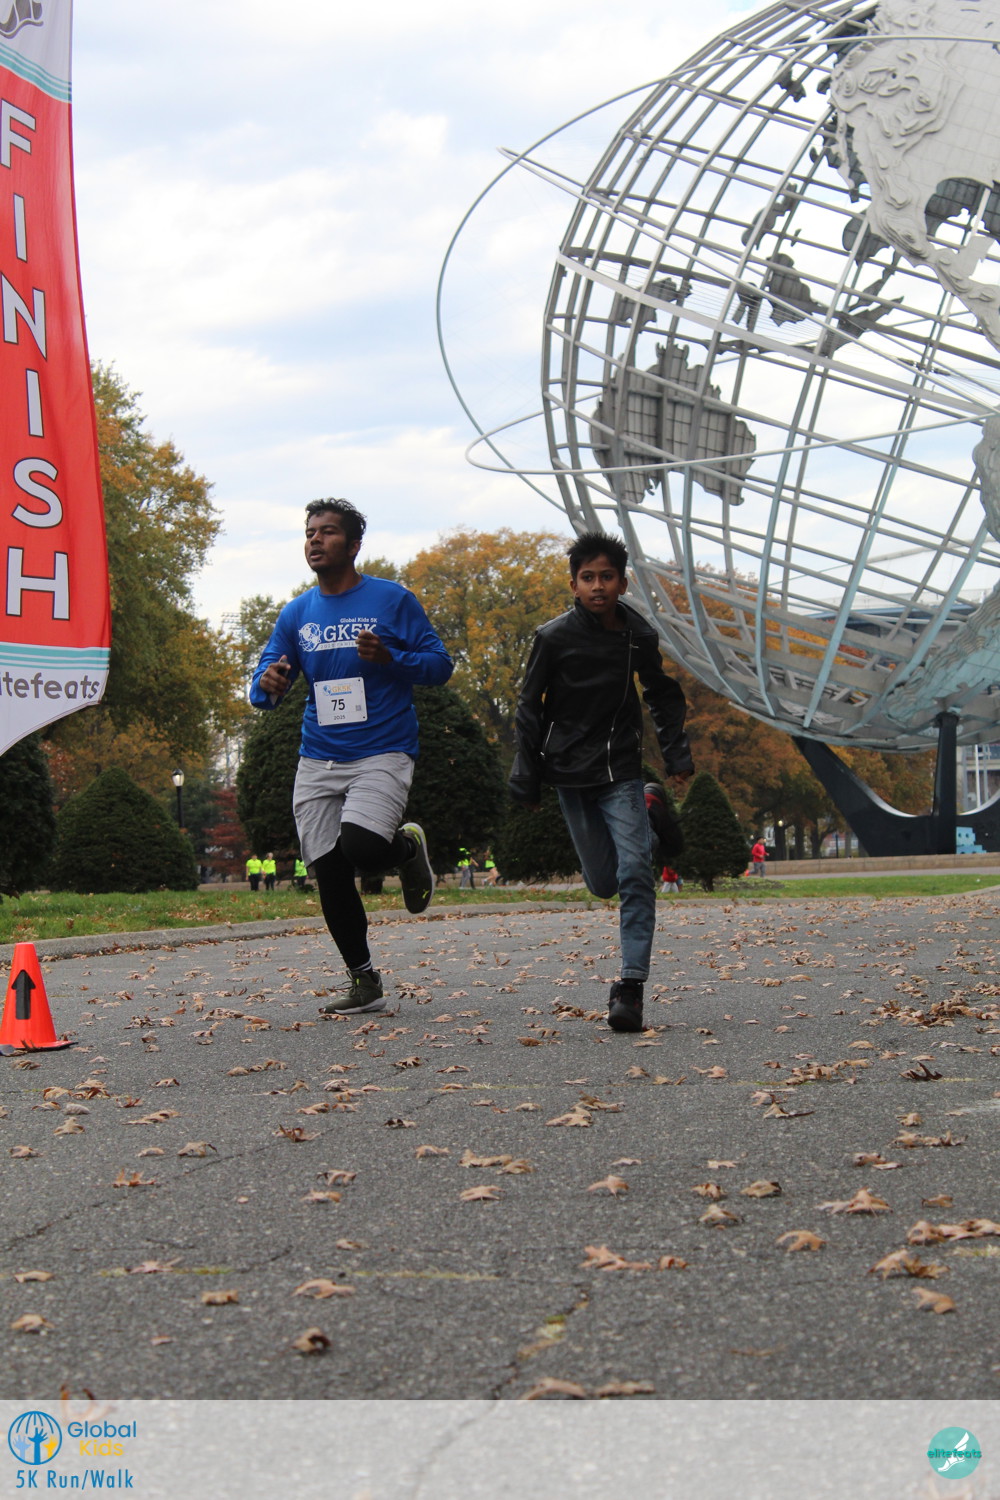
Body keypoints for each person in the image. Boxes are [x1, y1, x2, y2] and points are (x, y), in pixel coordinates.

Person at [249, 497, 453, 1015]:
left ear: (355, 545)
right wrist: (267, 684)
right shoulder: (297, 613)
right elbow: (264, 684)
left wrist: (391, 657)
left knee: (362, 848)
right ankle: (364, 981)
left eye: (328, 532)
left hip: (382, 750)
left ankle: (406, 850)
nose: (315, 540)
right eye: (310, 532)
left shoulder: (392, 600)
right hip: (319, 756)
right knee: (329, 870)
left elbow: (440, 665)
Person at [509, 530, 693, 1034]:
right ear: (573, 585)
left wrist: (676, 754)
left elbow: (662, 693)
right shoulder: (553, 638)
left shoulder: (638, 636)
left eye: (606, 577)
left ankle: (630, 988)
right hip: (569, 770)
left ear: (622, 583)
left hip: (620, 768)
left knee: (634, 872)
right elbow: (528, 706)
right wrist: (526, 774)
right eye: (587, 577)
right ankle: (651, 812)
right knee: (604, 882)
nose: (597, 586)